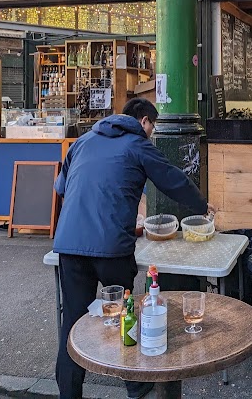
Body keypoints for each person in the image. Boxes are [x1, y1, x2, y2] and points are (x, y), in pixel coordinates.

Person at [52, 98, 209, 399]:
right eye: (152, 127)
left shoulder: (82, 142)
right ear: (144, 121)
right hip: (112, 247)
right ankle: (136, 385)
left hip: (70, 247)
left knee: (72, 322)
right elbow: (171, 179)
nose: (151, 133)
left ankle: (68, 394)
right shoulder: (138, 144)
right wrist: (201, 205)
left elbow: (60, 189)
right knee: (127, 314)